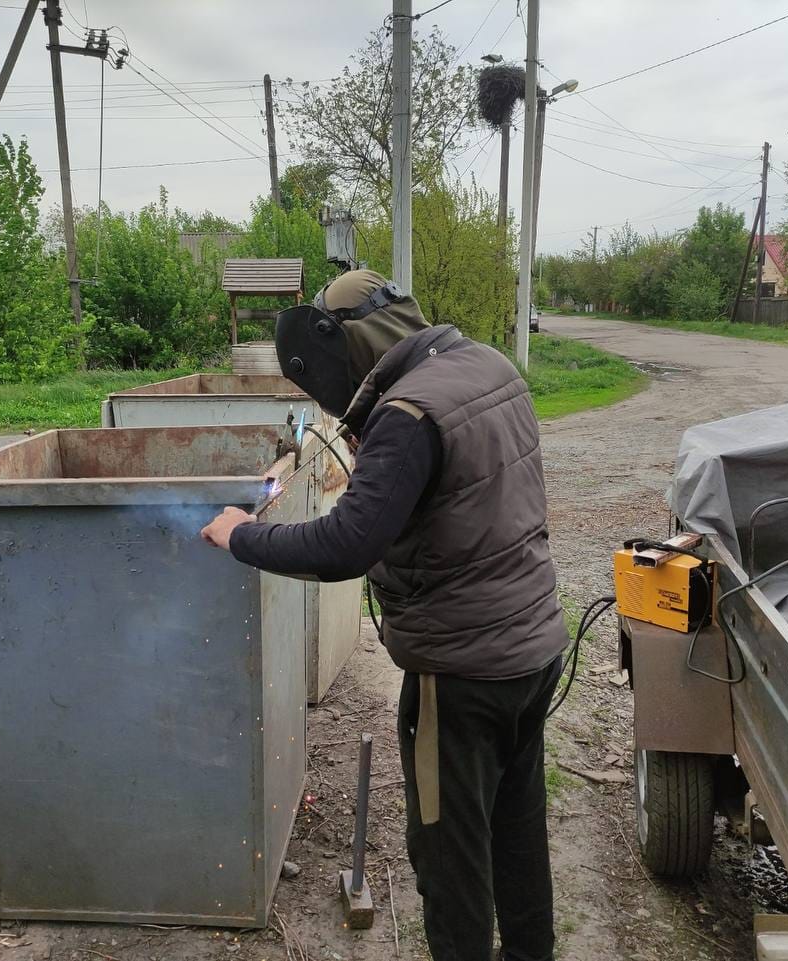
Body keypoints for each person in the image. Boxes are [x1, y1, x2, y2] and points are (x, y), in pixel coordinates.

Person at [200, 269, 569, 961]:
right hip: (533, 650)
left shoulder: (408, 414)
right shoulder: (488, 366)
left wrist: (240, 536)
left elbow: (346, 544)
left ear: (356, 347)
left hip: (461, 676)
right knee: (518, 838)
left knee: (450, 859)